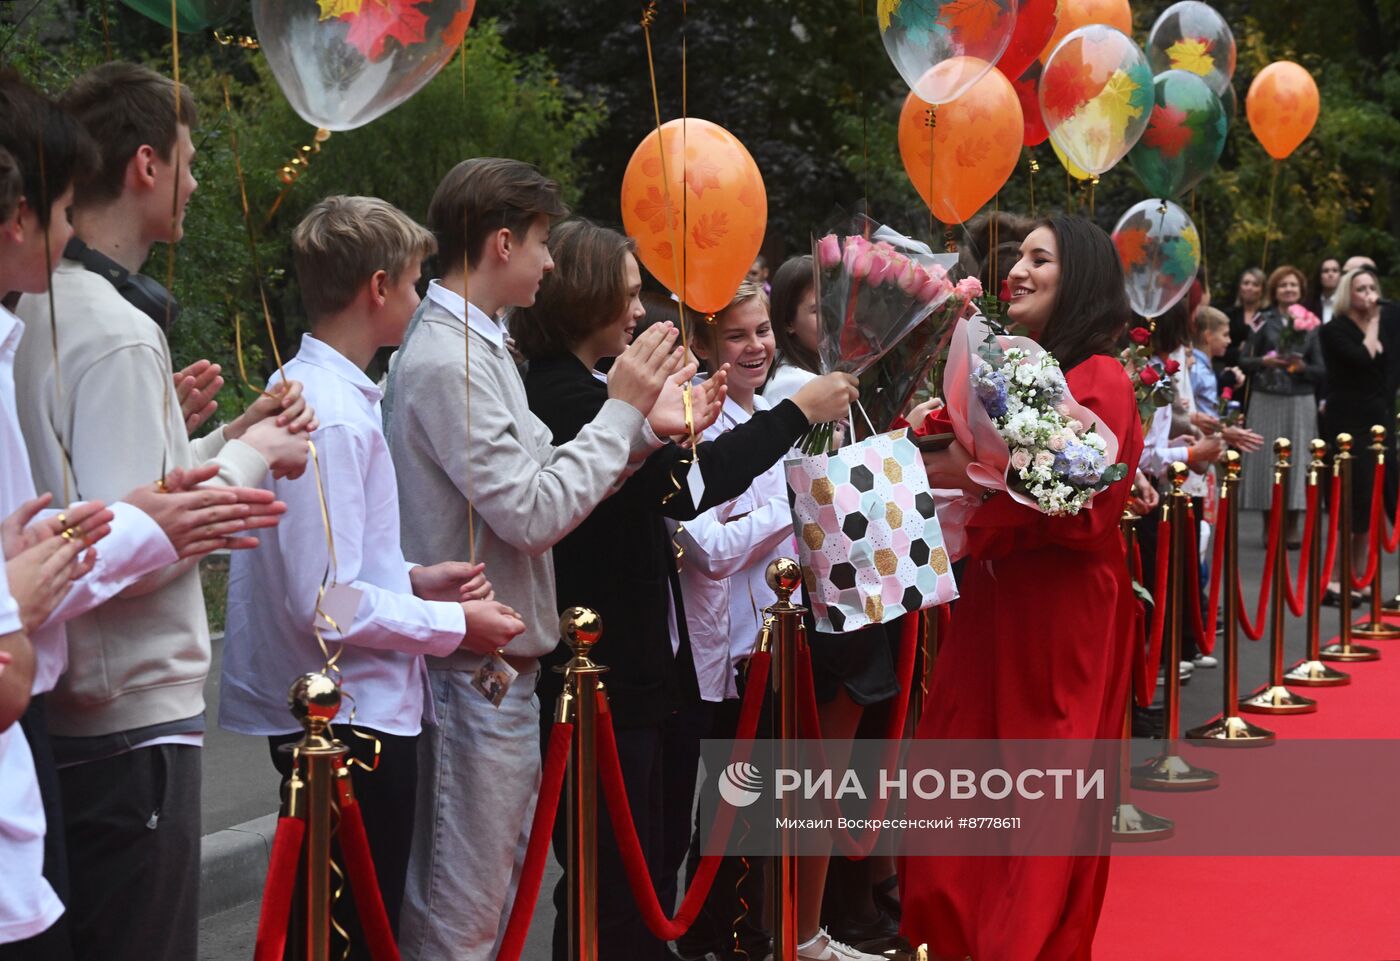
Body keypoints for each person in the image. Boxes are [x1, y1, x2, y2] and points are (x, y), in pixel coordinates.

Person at [382, 158, 723, 961]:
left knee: (491, 895)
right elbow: (535, 512)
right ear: (502, 242)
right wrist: (624, 410)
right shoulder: (447, 357)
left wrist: (644, 429)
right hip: (474, 670)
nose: (550, 262)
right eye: (541, 243)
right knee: (461, 908)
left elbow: (546, 471)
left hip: (495, 665)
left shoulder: (475, 345)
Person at [10, 62, 312, 961]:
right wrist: (255, 456)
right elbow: (136, 541)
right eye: (187, 159)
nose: (197, 181)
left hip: (88, 702)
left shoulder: (42, 306)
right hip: (125, 708)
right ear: (146, 165)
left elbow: (125, 497)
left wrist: (217, 445)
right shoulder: (107, 324)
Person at [513, 223, 857, 961]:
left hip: (647, 666)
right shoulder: (571, 395)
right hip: (607, 674)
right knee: (620, 881)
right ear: (589, 298)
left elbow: (679, 479)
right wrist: (793, 420)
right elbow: (688, 493)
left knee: (652, 868)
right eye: (630, 294)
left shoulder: (598, 389)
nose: (640, 313)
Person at [219, 196, 530, 954]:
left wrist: (416, 579)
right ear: (380, 288)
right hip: (348, 717)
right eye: (419, 282)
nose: (422, 299)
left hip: (353, 706)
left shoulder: (330, 394)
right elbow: (327, 602)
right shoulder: (328, 410)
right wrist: (458, 624)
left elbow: (343, 564)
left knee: (354, 921)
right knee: (347, 929)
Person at [902, 216, 1145, 961]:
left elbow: (1085, 507)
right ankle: (949, 936)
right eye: (1017, 258)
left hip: (1062, 607)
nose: (1019, 270)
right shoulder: (1018, 366)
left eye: (1041, 258)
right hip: (997, 596)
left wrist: (968, 486)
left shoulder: (1099, 376)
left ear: (1080, 276)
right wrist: (928, 439)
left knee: (1041, 791)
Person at [1317, 267, 1400, 602]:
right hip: (1347, 422)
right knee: (1352, 499)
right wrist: (1375, 323)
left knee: (1373, 499)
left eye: (1371, 287)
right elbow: (1362, 358)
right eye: (1361, 289)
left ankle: (1359, 575)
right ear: (1347, 294)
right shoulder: (1334, 330)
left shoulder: (1385, 324)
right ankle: (1336, 578)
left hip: (1377, 419)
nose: (1369, 295)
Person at [1236, 265, 1325, 538]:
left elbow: (1321, 369)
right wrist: (1265, 361)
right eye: (1284, 285)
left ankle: (1292, 525)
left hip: (1300, 400)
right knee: (1266, 461)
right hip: (1267, 397)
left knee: (1299, 460)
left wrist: (1301, 368)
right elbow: (1243, 360)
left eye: (1294, 286)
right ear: (1275, 290)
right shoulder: (1262, 319)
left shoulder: (1311, 322)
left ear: (1301, 291)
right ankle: (1269, 525)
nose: (1289, 289)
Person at [764, 254, 822, 406]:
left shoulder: (821, 367)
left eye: (833, 306)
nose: (831, 319)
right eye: (817, 311)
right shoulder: (792, 383)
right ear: (788, 322)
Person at [1223, 267, 1265, 372]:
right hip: (1231, 370)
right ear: (1240, 287)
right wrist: (1238, 350)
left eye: (1255, 285)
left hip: (1258, 373)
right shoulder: (1229, 314)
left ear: (1262, 289)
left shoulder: (1265, 315)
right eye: (1246, 283)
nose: (1250, 288)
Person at [1307, 256, 1342, 324]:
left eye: (1335, 271)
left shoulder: (1347, 305)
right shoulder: (1309, 304)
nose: (1330, 274)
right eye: (1325, 271)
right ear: (1319, 276)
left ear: (1341, 276)